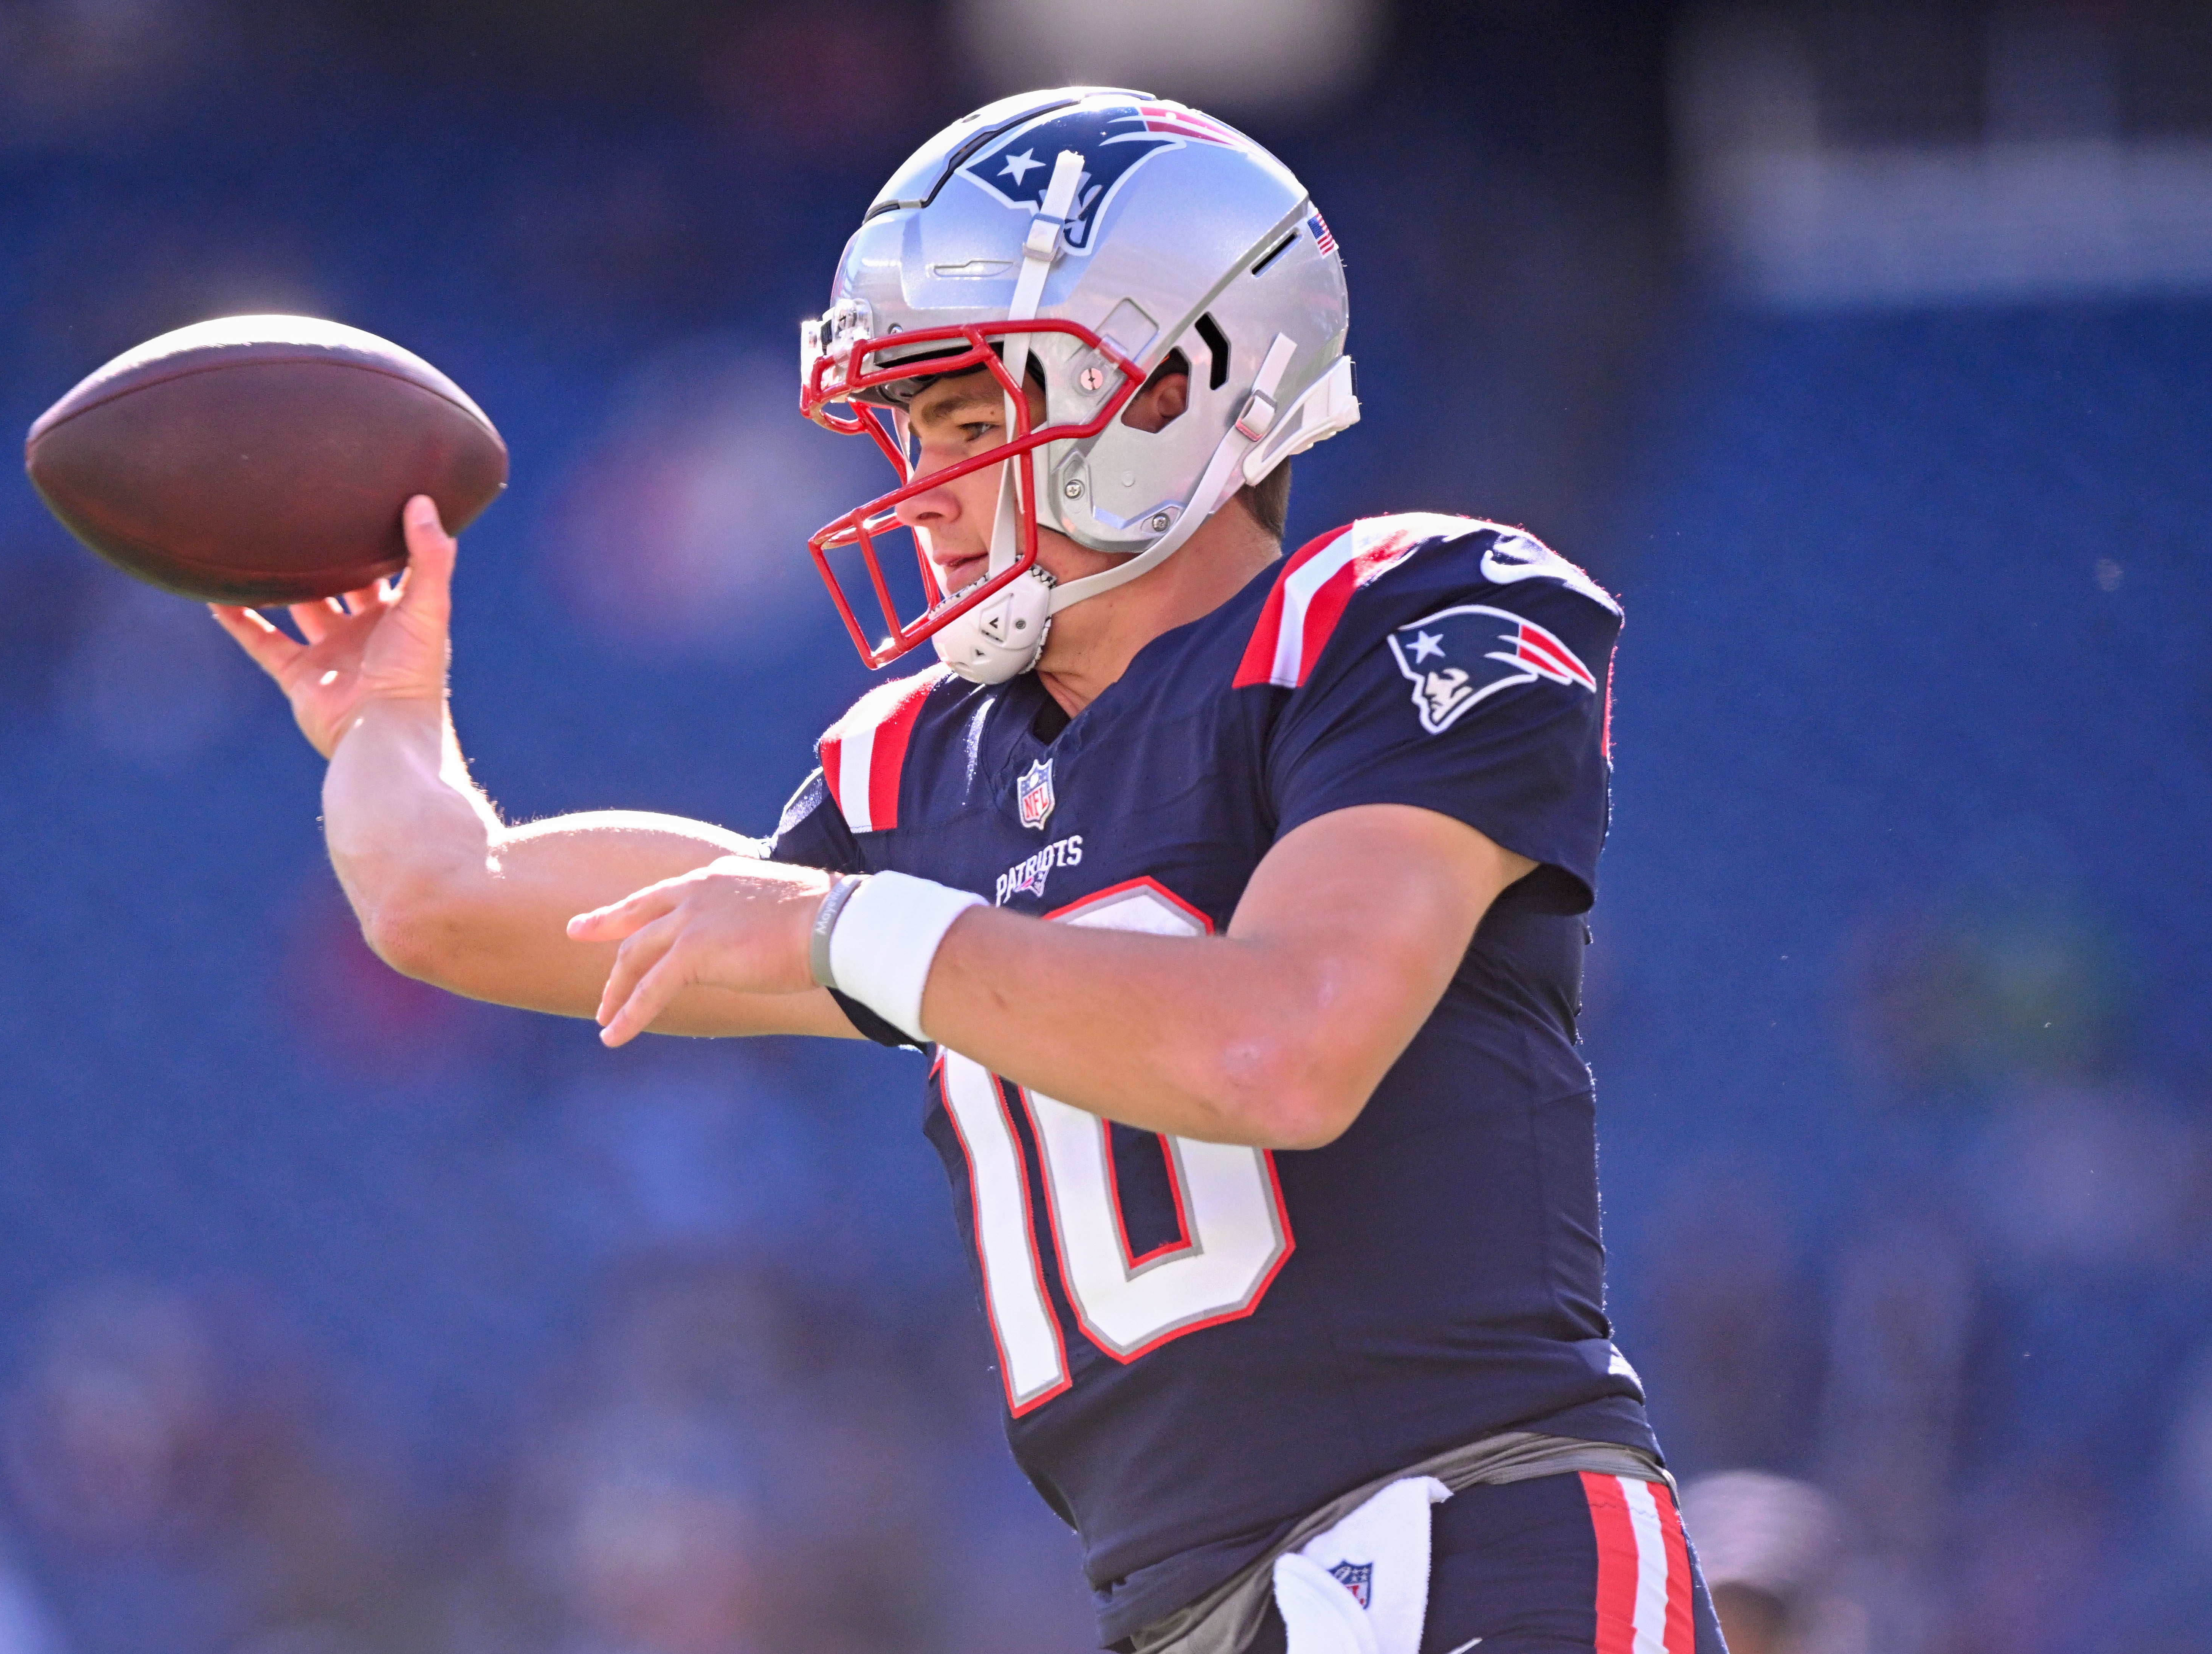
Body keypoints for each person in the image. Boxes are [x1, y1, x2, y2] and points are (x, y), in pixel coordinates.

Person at [211, 87, 1725, 1654]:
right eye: (905, 428)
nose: (917, 485)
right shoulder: (919, 769)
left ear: (1180, 385)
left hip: (1471, 1546)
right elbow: (446, 901)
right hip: (1190, 1609)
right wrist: (383, 718)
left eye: (968, 420)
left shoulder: (1390, 614)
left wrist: (854, 929)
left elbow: (1280, 1045)